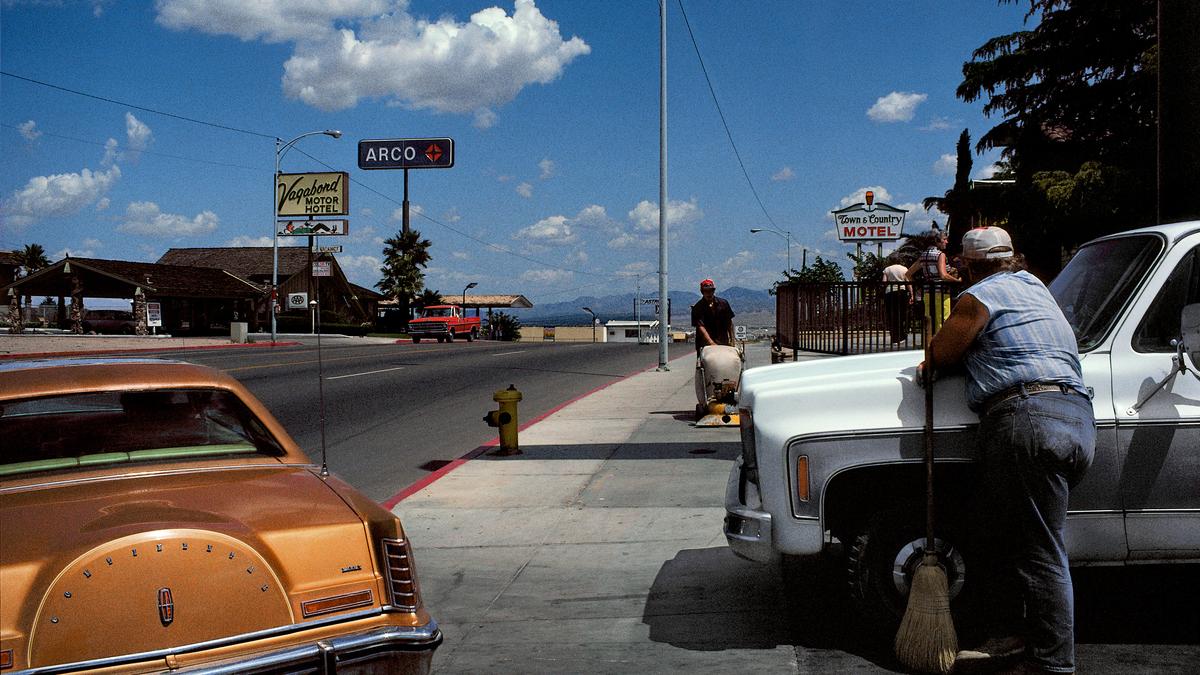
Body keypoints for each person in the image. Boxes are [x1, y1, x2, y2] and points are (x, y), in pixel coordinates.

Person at [920, 226, 1094, 674]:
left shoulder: (978, 298)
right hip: (1075, 418)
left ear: (971, 265)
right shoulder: (1036, 288)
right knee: (1005, 532)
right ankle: (1012, 634)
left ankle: (1053, 664)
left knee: (1040, 550)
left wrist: (928, 361)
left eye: (961, 264)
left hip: (1027, 418)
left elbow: (941, 353)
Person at [907, 228, 961, 333]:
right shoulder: (940, 255)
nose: (946, 241)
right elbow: (943, 275)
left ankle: (929, 343)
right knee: (943, 319)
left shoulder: (924, 255)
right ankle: (942, 344)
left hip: (927, 293)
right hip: (942, 292)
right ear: (937, 241)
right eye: (944, 239)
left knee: (929, 319)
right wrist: (957, 281)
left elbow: (908, 274)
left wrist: (917, 288)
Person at [691, 278, 734, 355]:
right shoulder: (697, 308)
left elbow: (729, 322)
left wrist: (732, 340)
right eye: (706, 291)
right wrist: (711, 343)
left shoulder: (723, 303)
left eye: (711, 290)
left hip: (723, 341)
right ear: (702, 292)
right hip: (705, 344)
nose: (709, 293)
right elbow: (701, 327)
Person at [881, 260, 913, 343]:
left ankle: (894, 338)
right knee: (901, 315)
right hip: (901, 292)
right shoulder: (904, 269)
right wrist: (911, 294)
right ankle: (901, 336)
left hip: (889, 292)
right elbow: (908, 282)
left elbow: (884, 282)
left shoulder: (887, 269)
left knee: (892, 315)